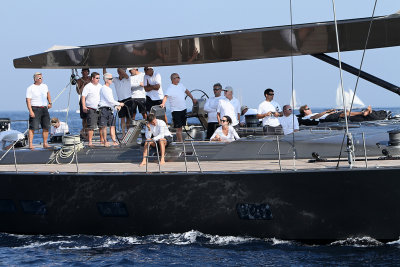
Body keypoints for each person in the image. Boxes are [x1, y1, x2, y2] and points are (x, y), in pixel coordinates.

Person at [160, 73, 197, 142]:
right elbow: (166, 96)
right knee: (179, 127)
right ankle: (180, 142)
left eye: (179, 77)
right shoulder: (170, 88)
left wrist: (192, 98)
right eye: (177, 77)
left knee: (181, 126)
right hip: (176, 110)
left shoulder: (181, 85)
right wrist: (163, 103)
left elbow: (187, 91)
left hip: (183, 109)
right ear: (173, 79)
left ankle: (178, 140)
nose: (179, 79)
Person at [26, 72, 52, 149]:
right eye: (40, 78)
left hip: (44, 108)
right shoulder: (30, 88)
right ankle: (30, 144)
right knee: (33, 127)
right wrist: (30, 111)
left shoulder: (45, 86)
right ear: (35, 79)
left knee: (46, 126)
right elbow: (28, 100)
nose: (41, 79)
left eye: (42, 78)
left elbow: (48, 94)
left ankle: (45, 143)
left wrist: (50, 102)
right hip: (35, 108)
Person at [103, 68, 132, 136]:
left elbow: (125, 74)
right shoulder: (115, 79)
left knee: (128, 118)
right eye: (120, 71)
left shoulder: (128, 78)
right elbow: (105, 75)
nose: (122, 72)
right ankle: (123, 134)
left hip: (128, 100)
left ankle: (128, 134)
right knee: (122, 118)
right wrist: (104, 67)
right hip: (120, 101)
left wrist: (118, 66)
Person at [98, 73, 125, 147]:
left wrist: (116, 106)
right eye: (110, 79)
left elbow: (110, 101)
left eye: (112, 78)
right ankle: (105, 141)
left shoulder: (109, 89)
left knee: (112, 126)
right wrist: (119, 104)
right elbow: (110, 100)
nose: (112, 80)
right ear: (106, 80)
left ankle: (114, 140)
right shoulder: (104, 88)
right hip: (104, 109)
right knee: (104, 126)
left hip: (110, 110)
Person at [81, 72, 102, 147]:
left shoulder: (100, 86)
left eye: (99, 78)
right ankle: (90, 141)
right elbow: (83, 97)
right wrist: (84, 106)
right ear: (92, 78)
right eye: (97, 78)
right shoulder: (88, 86)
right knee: (91, 126)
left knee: (101, 125)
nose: (98, 79)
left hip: (100, 108)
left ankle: (102, 140)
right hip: (91, 109)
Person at [299, 104, 372, 122]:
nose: (310, 109)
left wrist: (331, 112)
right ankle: (362, 113)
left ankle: (364, 113)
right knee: (342, 115)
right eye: (308, 108)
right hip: (327, 118)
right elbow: (315, 117)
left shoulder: (313, 113)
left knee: (344, 112)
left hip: (328, 116)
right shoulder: (306, 117)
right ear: (304, 111)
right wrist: (326, 112)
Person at [76, 68, 91, 139]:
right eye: (83, 72)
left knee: (90, 117)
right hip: (83, 100)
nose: (85, 73)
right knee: (84, 118)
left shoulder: (91, 79)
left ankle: (88, 132)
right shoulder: (79, 80)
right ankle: (84, 131)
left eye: (86, 72)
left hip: (90, 100)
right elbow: (79, 92)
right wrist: (83, 84)